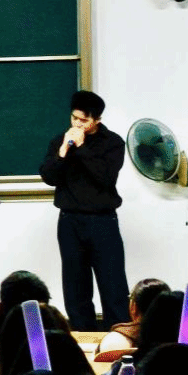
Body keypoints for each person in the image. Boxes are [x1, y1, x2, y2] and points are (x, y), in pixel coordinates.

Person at [39, 90, 130, 332]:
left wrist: (81, 148)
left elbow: (105, 177)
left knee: (113, 285)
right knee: (75, 287)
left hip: (103, 222)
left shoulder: (113, 143)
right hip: (70, 222)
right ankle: (83, 338)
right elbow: (49, 176)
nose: (77, 124)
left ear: (97, 120)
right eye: (74, 118)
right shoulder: (60, 141)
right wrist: (63, 151)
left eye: (84, 120)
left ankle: (119, 339)